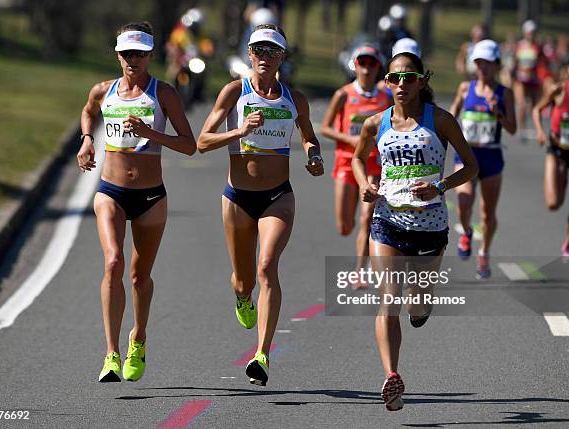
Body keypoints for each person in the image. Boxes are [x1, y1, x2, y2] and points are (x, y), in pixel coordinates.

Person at [197, 24, 324, 386]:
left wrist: (314, 158)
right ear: (249, 55)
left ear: (282, 57)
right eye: (259, 51)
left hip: (278, 196)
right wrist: (239, 131)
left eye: (273, 52)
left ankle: (262, 354)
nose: (265, 58)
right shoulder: (235, 92)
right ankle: (242, 295)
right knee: (243, 280)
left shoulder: (294, 99)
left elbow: (310, 138)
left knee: (267, 266)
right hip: (237, 197)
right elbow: (203, 141)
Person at [352, 52, 478, 411]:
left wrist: (439, 187)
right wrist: (365, 185)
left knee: (416, 303)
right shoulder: (375, 123)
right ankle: (392, 376)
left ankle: (422, 304)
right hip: (387, 221)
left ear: (423, 80)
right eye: (395, 78)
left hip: (430, 227)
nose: (402, 85)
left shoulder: (440, 121)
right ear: (387, 83)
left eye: (410, 78)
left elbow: (471, 166)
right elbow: (358, 158)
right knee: (388, 298)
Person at [77, 22, 196, 382]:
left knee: (139, 276)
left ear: (150, 55)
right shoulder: (103, 90)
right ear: (118, 54)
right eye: (127, 53)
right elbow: (88, 113)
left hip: (150, 195)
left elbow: (189, 144)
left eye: (140, 53)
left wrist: (150, 133)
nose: (134, 60)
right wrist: (86, 140)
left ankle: (138, 337)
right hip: (110, 191)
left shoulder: (164, 94)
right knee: (113, 261)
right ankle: (111, 353)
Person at [321, 45, 392, 288]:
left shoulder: (386, 97)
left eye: (371, 63)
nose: (366, 68)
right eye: (362, 62)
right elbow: (325, 127)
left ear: (378, 67)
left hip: (374, 164)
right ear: (355, 65)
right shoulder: (344, 94)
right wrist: (350, 139)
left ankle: (360, 271)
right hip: (346, 163)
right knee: (345, 226)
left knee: (367, 218)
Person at [449, 40, 517, 278]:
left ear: (496, 65)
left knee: (488, 213)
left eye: (487, 64)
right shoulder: (465, 89)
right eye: (478, 63)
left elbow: (512, 128)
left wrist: (498, 112)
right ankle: (466, 231)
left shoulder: (504, 93)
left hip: (491, 157)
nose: (482, 69)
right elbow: (450, 117)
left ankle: (485, 252)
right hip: (466, 156)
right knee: (464, 203)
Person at [532, 53, 569, 259]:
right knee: (553, 203)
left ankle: (568, 243)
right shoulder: (558, 90)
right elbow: (537, 109)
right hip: (557, 151)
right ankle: (563, 181)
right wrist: (540, 131)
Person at [514, 20, 545, 130]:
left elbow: (543, 63)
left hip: (534, 79)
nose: (530, 34)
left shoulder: (538, 47)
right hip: (521, 79)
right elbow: (514, 62)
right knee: (522, 104)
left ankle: (538, 128)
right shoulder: (519, 45)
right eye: (529, 32)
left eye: (532, 32)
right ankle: (521, 129)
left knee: (535, 106)